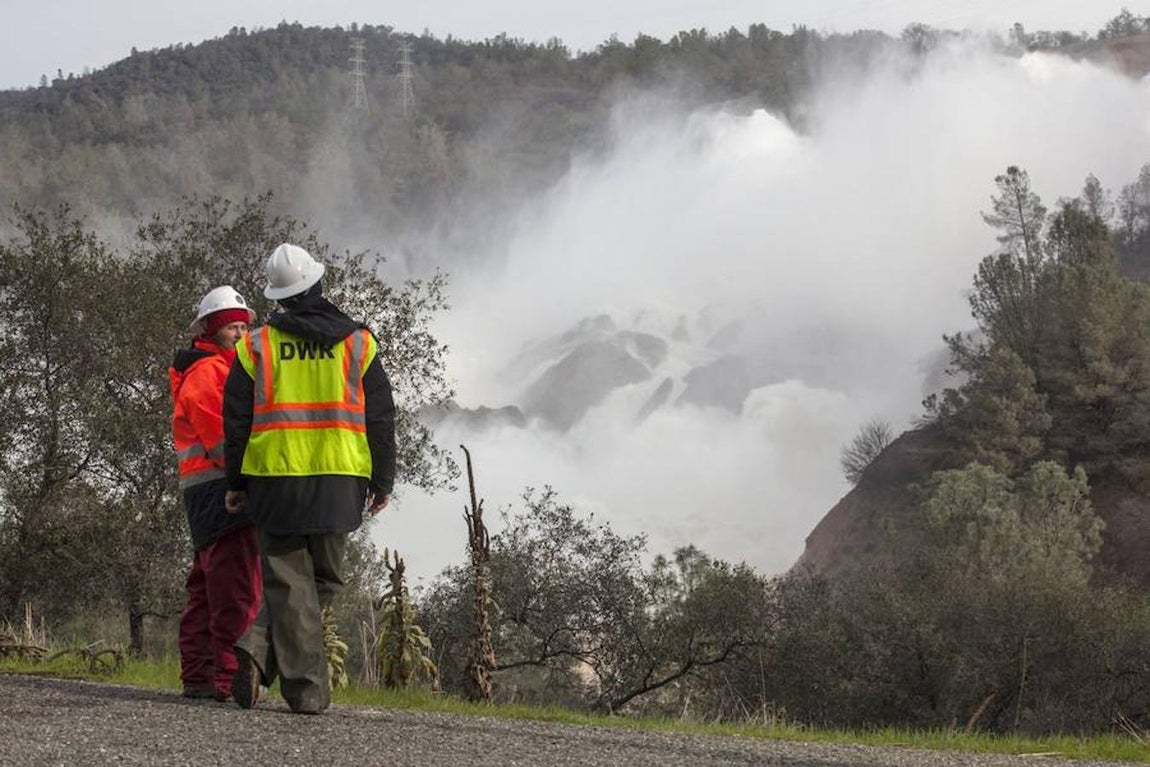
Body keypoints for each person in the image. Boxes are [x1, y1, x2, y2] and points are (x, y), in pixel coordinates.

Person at [223, 243, 396, 714]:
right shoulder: (359, 343)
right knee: (325, 581)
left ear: (278, 296)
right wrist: (383, 479)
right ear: (318, 283)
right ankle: (306, 692)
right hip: (339, 479)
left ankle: (258, 648)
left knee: (290, 583)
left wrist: (235, 483)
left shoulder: (254, 346)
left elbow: (235, 422)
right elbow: (381, 418)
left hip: (275, 480)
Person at [169, 286, 263, 701]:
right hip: (221, 490)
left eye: (244, 327)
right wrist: (250, 479)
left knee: (207, 588)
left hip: (205, 491)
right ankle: (226, 678)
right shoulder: (210, 373)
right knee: (234, 588)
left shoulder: (214, 368)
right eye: (231, 328)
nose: (240, 335)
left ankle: (200, 676)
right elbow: (222, 441)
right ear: (210, 330)